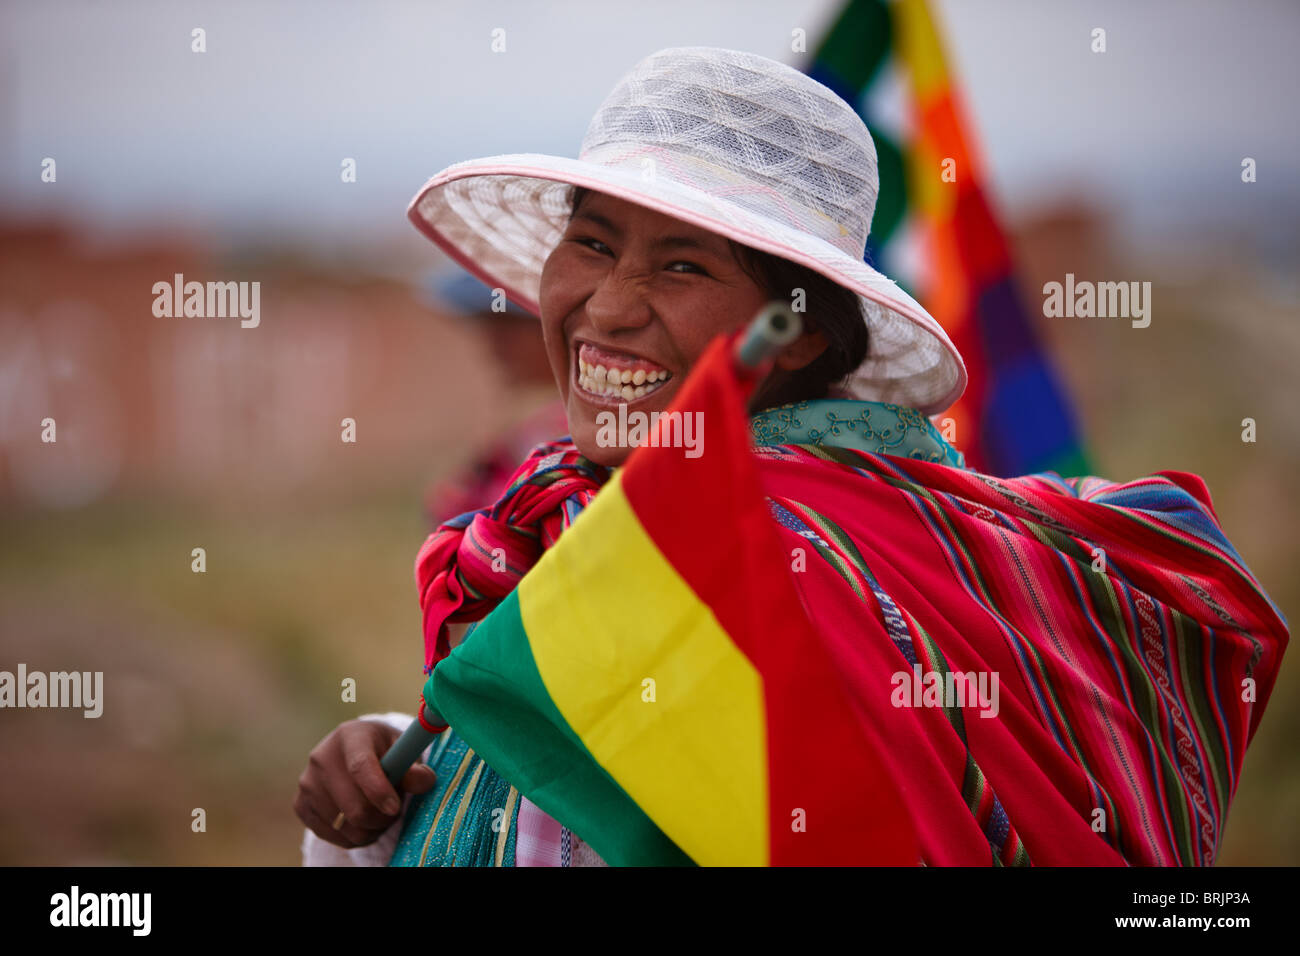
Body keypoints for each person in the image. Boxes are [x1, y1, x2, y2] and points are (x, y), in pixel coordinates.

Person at [294, 46, 1287, 867]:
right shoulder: (582, 519)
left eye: (682, 264)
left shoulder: (774, 565)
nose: (605, 307)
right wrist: (402, 775)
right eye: (592, 244)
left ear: (801, 332)